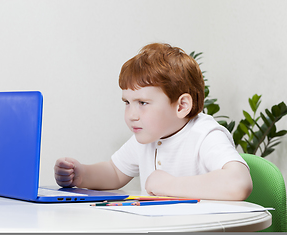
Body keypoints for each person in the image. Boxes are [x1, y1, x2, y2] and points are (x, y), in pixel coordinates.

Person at [54, 43, 253, 200]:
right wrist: (81, 175)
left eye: (142, 102)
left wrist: (169, 185)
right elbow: (115, 172)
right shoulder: (147, 136)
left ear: (181, 106)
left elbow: (239, 183)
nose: (132, 114)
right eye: (127, 102)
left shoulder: (204, 135)